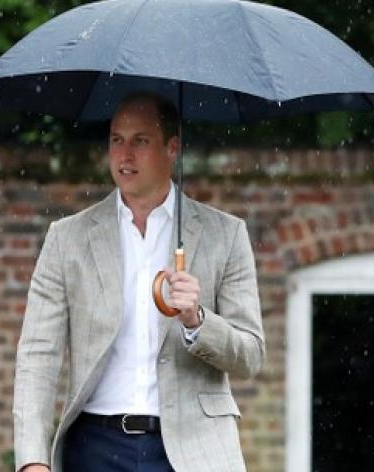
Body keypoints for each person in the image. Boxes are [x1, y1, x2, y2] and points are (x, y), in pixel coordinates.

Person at [13, 92, 265, 472]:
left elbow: (250, 356)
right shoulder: (68, 238)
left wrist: (198, 321)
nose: (124, 154)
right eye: (116, 140)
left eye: (140, 141)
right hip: (94, 447)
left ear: (172, 147)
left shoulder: (225, 235)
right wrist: (32, 459)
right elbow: (37, 356)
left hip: (193, 450)